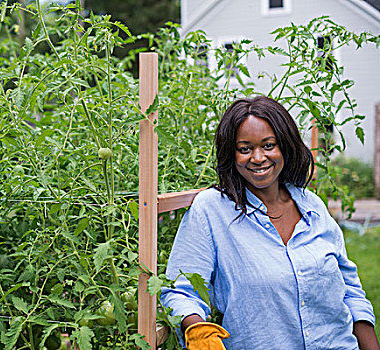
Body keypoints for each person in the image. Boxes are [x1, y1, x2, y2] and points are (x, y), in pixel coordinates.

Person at [160, 96, 379, 349]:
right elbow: (180, 291)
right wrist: (197, 330)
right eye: (245, 148)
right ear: (232, 154)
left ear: (285, 146)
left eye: (268, 145)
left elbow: (350, 291)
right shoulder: (211, 210)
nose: (258, 157)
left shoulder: (313, 207)